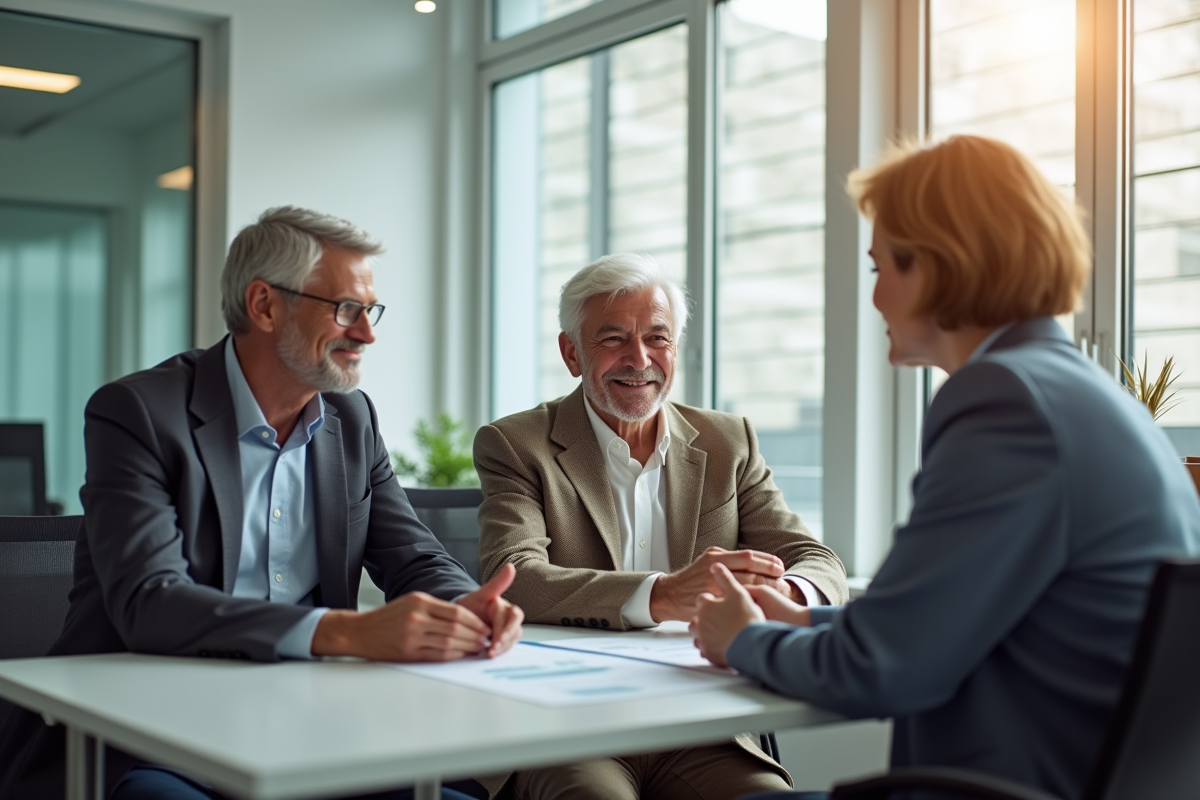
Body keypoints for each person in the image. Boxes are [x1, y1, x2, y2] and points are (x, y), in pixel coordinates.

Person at [690, 135, 1200, 800]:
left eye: (879, 270)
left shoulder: (1005, 401)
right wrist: (799, 621)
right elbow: (948, 622)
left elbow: (880, 670)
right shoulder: (1081, 391)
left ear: (933, 263)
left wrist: (744, 641)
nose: (873, 299)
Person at [0, 206, 522, 800]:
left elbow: (414, 558)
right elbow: (150, 603)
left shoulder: (351, 418)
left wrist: (468, 609)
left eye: (370, 311)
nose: (368, 334)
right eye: (346, 309)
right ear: (265, 305)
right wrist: (346, 633)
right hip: (149, 730)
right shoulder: (139, 414)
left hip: (304, 724)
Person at [473, 253, 848, 800]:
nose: (640, 359)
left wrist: (785, 592)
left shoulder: (728, 440)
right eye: (612, 340)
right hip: (572, 726)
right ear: (571, 353)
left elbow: (817, 560)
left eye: (658, 338)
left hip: (701, 721)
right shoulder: (517, 444)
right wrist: (663, 595)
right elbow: (517, 577)